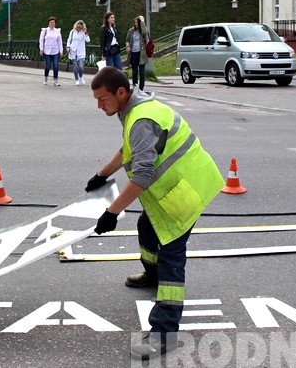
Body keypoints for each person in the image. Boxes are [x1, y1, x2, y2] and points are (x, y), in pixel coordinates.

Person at [85, 66, 224, 361]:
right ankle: (153, 274)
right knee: (147, 227)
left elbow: (143, 175)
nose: (99, 106)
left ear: (120, 92)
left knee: (172, 255)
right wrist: (101, 174)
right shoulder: (136, 108)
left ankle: (165, 333)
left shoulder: (140, 119)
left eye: (102, 99)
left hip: (186, 192)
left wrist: (111, 212)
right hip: (182, 183)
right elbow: (129, 151)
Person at [125, 15, 150, 90]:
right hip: (133, 53)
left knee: (142, 72)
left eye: (137, 23)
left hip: (141, 53)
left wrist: (142, 22)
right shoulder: (131, 30)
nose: (136, 24)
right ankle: (135, 87)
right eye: (135, 22)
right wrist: (127, 46)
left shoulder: (143, 30)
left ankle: (141, 89)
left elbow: (146, 33)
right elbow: (127, 40)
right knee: (134, 72)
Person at [39, 16, 63, 86]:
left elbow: (59, 41)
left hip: (55, 50)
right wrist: (41, 49)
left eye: (53, 22)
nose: (52, 24)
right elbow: (41, 40)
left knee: (56, 66)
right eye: (51, 22)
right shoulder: (45, 31)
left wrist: (61, 51)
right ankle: (46, 78)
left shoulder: (57, 31)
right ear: (48, 23)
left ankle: (55, 80)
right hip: (47, 51)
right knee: (48, 66)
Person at [66, 20, 90, 85]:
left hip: (81, 51)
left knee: (81, 66)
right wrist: (68, 47)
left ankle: (81, 76)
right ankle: (76, 79)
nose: (79, 28)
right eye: (78, 27)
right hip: (73, 50)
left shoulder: (83, 32)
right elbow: (69, 39)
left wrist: (85, 33)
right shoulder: (72, 32)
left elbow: (88, 40)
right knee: (75, 65)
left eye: (80, 27)